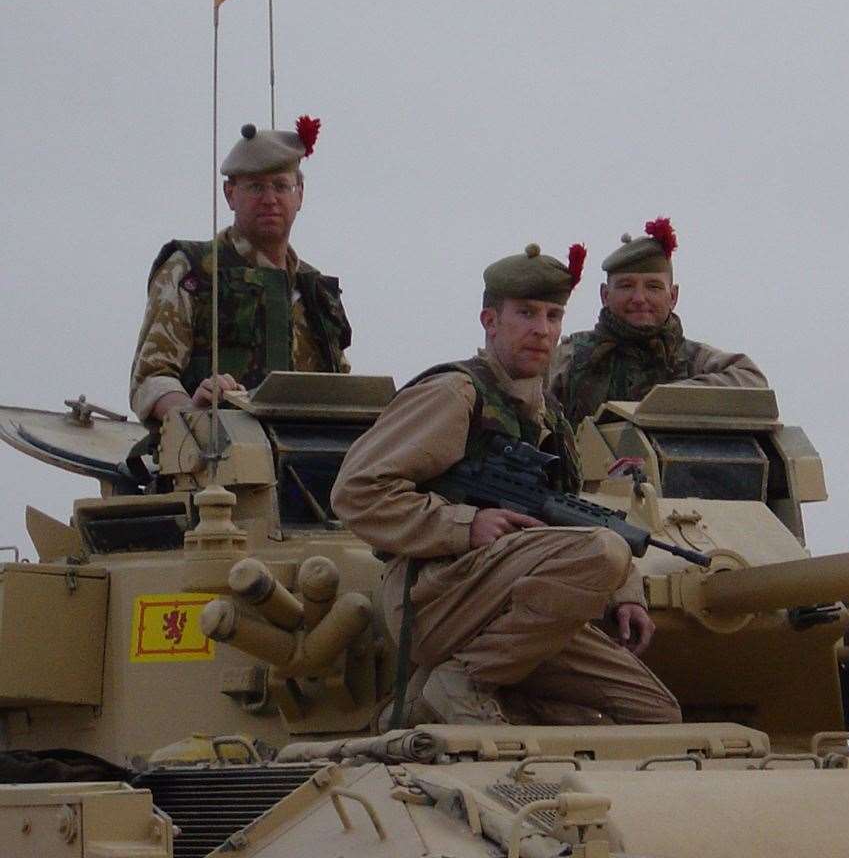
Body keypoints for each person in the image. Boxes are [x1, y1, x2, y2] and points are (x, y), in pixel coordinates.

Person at [331, 242, 681, 726]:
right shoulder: (456, 394)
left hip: (516, 605)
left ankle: (423, 704)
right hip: (435, 597)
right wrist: (465, 524)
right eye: (526, 314)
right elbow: (355, 491)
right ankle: (461, 680)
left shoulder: (551, 416)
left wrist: (625, 593)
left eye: (554, 316)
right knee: (603, 551)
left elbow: (570, 510)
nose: (542, 331)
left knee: (655, 712)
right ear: (490, 320)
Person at [128, 116, 351, 423]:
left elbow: (344, 391)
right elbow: (152, 377)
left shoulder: (315, 291)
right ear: (230, 194)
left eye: (281, 186)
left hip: (308, 461)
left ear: (299, 194)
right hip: (214, 457)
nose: (270, 199)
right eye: (256, 187)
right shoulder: (192, 269)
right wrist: (192, 415)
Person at [548, 217, 767, 428]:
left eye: (653, 287)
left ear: (673, 296)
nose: (639, 298)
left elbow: (752, 381)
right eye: (626, 286)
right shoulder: (571, 358)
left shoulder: (693, 359)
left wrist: (668, 399)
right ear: (605, 295)